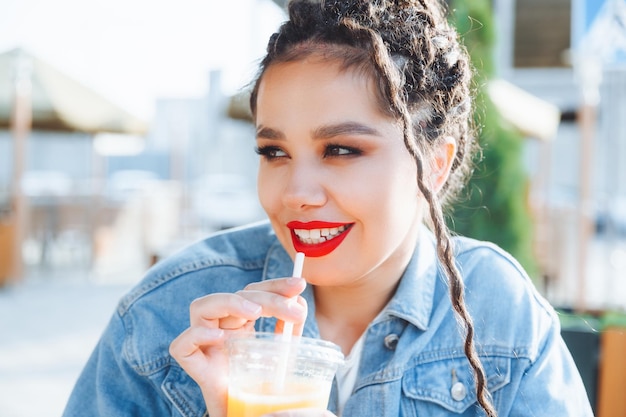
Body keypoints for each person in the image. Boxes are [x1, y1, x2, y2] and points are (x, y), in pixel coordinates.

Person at [63, 0, 594, 416]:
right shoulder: (166, 314)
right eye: (274, 152)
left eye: (341, 150)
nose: (297, 192)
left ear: (433, 163)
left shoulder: (501, 314)